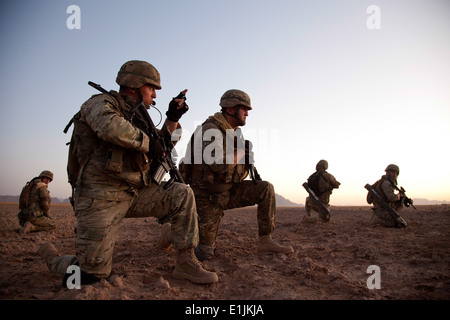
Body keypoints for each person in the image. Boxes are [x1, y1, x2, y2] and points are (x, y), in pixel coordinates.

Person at [37, 60, 218, 285]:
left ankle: (186, 263)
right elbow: (109, 127)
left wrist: (172, 119)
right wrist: (148, 142)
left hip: (134, 192)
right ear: (135, 84)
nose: (154, 95)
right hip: (100, 197)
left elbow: (161, 147)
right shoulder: (100, 103)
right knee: (91, 275)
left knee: (182, 193)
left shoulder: (139, 117)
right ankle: (52, 257)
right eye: (151, 88)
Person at [176, 89, 294, 261]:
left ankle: (266, 241)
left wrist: (244, 157)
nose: (247, 113)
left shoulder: (233, 133)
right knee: (205, 253)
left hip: (228, 192)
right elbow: (218, 164)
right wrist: (241, 152)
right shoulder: (210, 130)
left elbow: (238, 171)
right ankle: (171, 233)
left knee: (265, 189)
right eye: (244, 108)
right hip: (206, 197)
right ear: (231, 109)